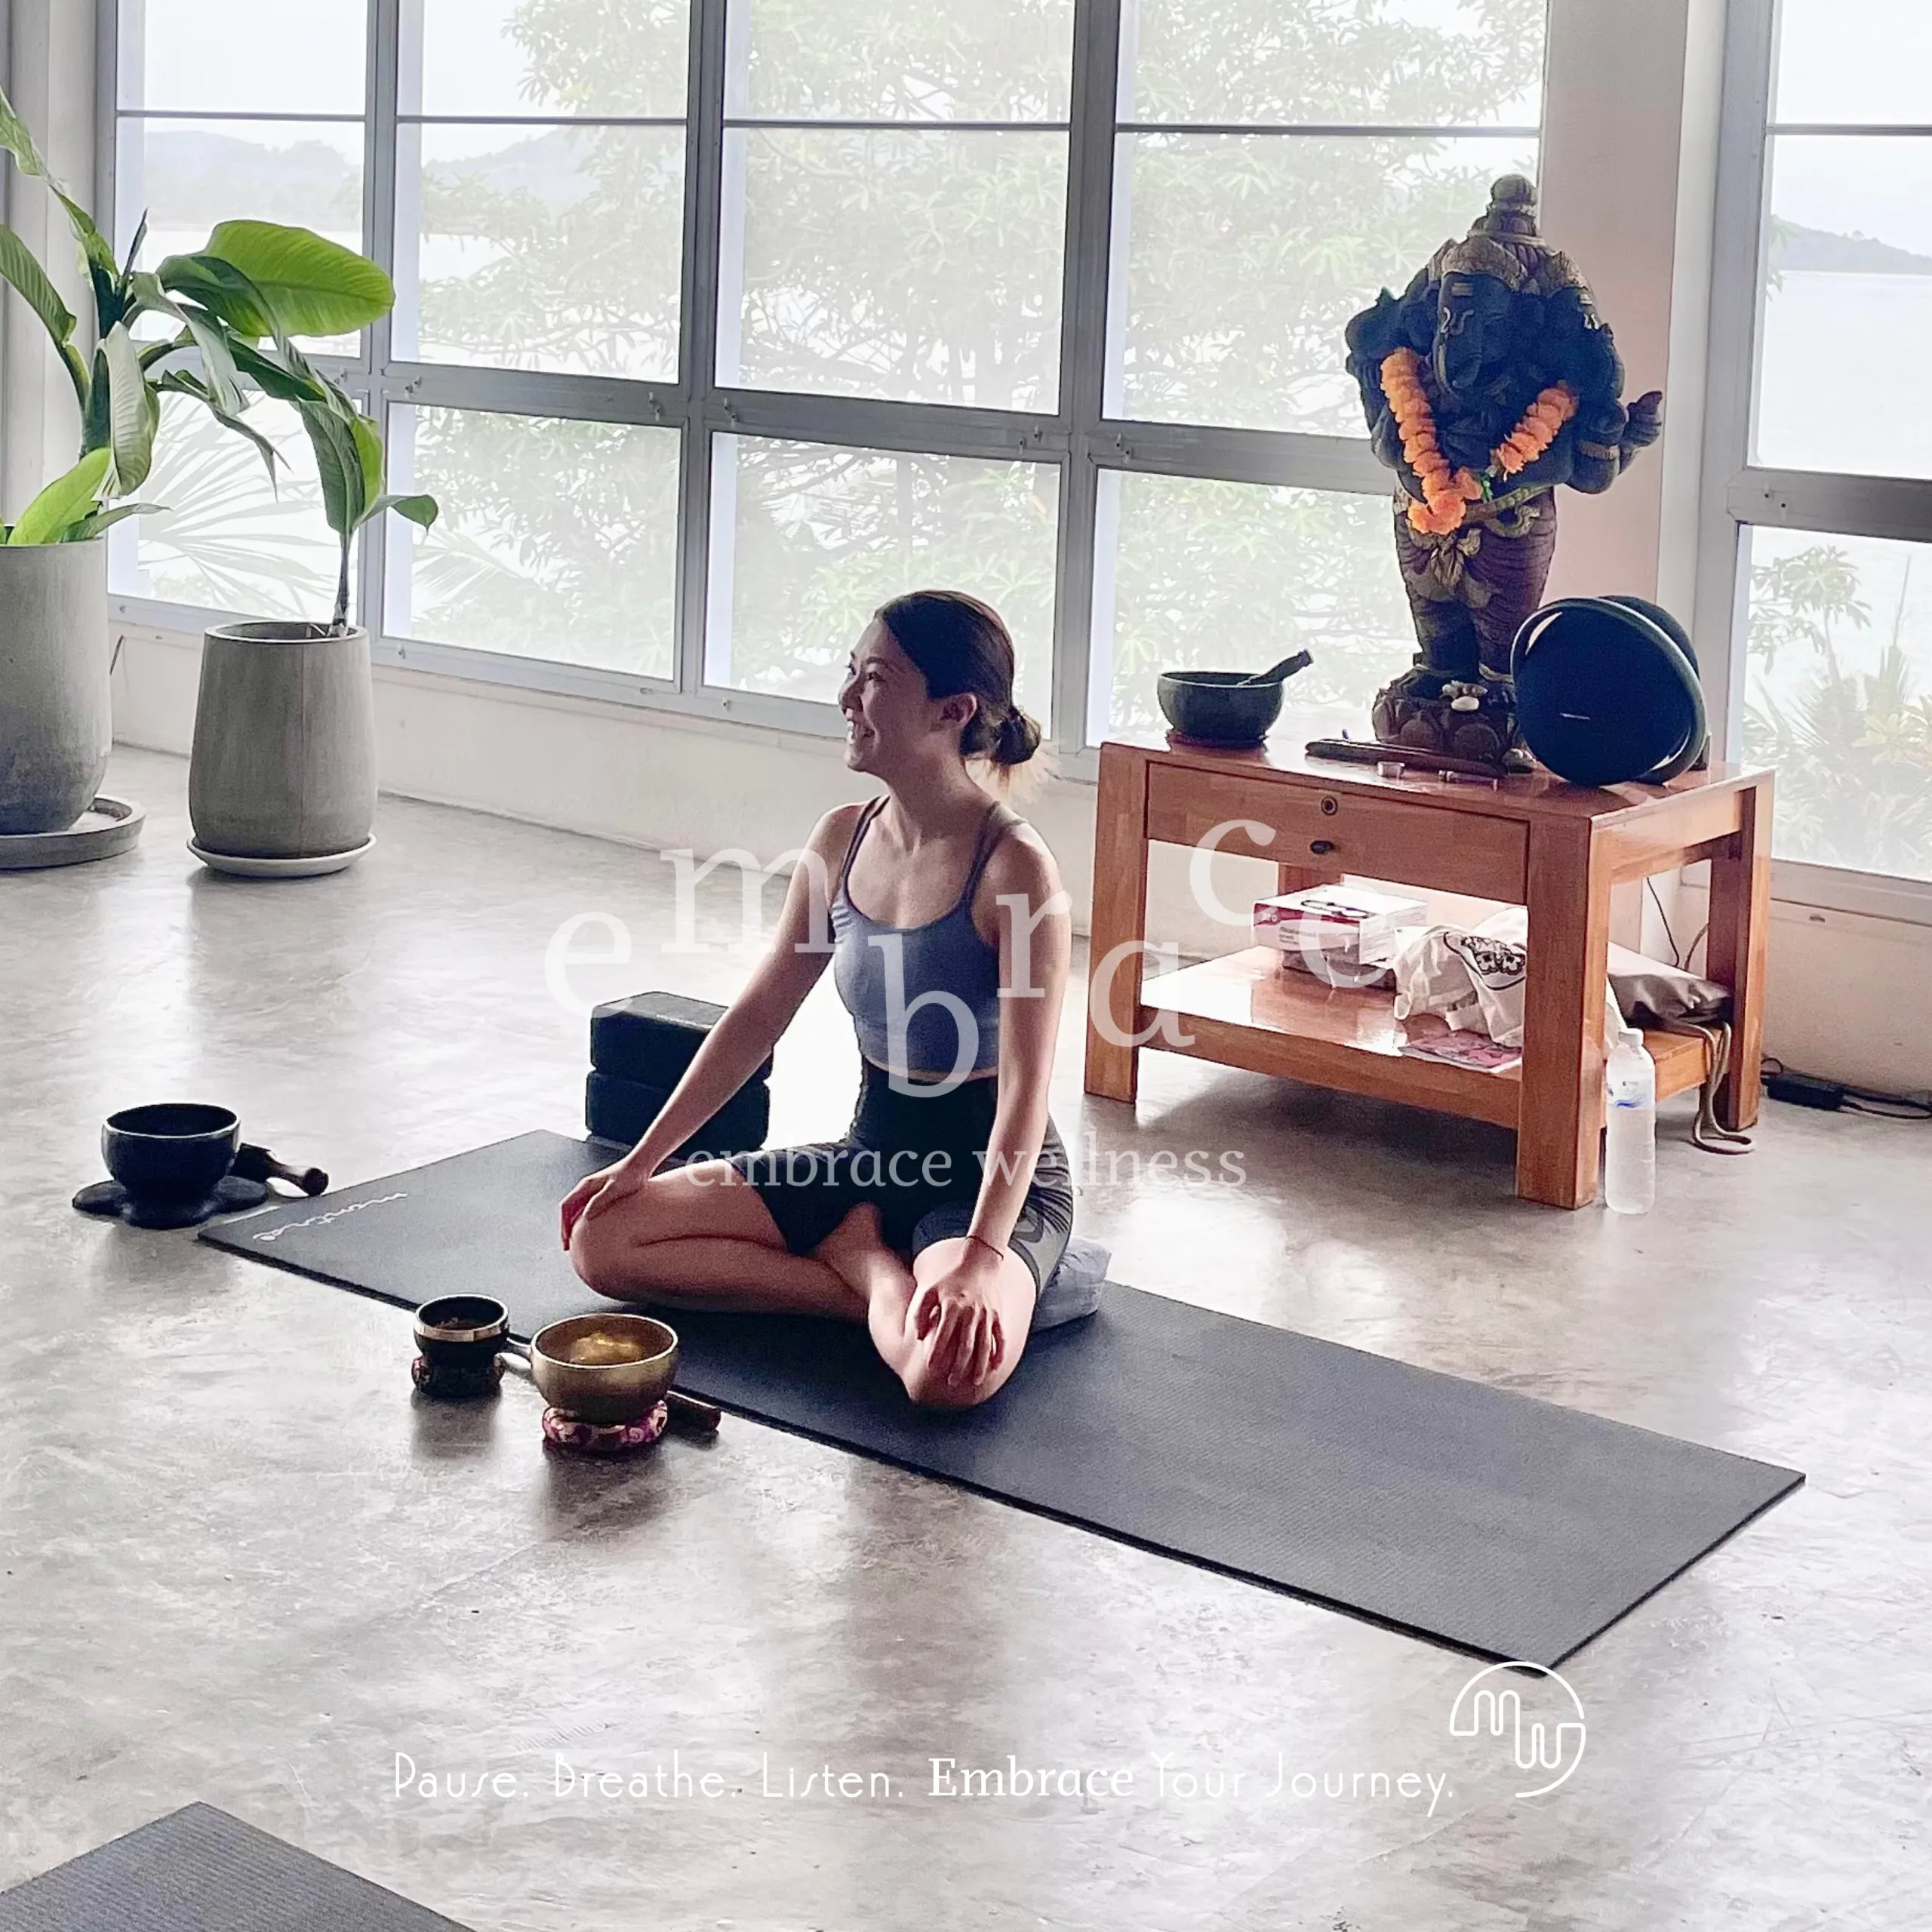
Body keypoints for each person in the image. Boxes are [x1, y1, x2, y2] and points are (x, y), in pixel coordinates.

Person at [561, 589, 1075, 1410]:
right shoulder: (842, 838)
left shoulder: (1014, 867)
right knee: (604, 1241)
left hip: (985, 1181)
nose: (846, 699)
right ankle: (868, 1272)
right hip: (872, 1151)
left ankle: (889, 1272)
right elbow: (758, 1018)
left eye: (874, 679)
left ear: (952, 710)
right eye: (851, 672)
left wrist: (981, 1252)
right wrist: (638, 1163)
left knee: (945, 1378)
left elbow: (1024, 1088)